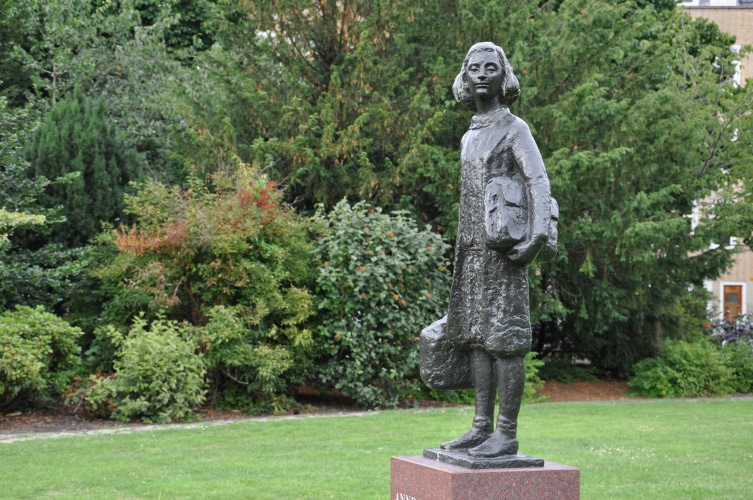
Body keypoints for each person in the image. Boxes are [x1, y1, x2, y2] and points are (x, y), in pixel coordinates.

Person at [441, 42, 551, 458]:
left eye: (491, 67)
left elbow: (538, 182)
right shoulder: (472, 133)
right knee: (476, 339)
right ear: (465, 78)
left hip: (503, 253)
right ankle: (480, 426)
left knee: (505, 341)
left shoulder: (514, 128)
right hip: (471, 254)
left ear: (504, 76)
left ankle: (506, 432)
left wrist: (536, 238)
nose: (482, 74)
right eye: (474, 68)